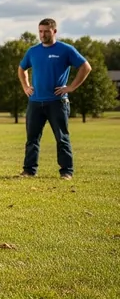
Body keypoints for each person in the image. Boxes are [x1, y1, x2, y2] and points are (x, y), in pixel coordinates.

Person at [17, 18, 91, 180]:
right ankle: (29, 171)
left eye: (46, 31)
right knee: (32, 139)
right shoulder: (32, 51)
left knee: (62, 138)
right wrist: (26, 87)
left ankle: (66, 172)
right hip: (35, 102)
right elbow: (22, 69)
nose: (42, 34)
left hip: (57, 102)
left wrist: (71, 87)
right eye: (40, 31)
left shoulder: (65, 50)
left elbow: (86, 67)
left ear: (54, 31)